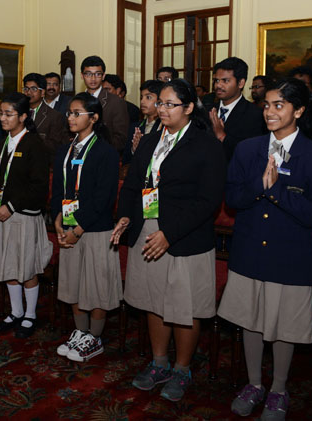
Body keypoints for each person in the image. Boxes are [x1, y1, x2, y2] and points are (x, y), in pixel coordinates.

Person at [217, 77, 312, 420]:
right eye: (266, 105)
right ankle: (254, 383)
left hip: (290, 255)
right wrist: (259, 184)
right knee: (250, 319)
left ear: (298, 110)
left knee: (284, 325)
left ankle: (279, 389)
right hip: (250, 250)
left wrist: (277, 191)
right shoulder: (248, 148)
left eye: (278, 105)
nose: (269, 112)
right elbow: (233, 199)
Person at [112, 79, 226, 402]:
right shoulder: (149, 141)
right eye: (159, 103)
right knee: (153, 300)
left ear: (189, 108)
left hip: (183, 237)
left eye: (169, 104)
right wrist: (124, 215)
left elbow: (209, 200)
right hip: (147, 230)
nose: (161, 109)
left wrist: (170, 234)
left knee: (183, 306)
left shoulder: (206, 145)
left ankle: (181, 368)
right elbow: (133, 184)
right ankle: (159, 362)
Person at [51, 92, 121, 362]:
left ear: (93, 118)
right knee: (74, 284)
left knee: (96, 287)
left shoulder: (105, 152)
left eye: (77, 113)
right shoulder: (64, 150)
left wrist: (78, 229)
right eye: (69, 113)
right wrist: (57, 219)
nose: (71, 117)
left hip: (94, 229)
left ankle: (95, 337)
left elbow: (104, 198)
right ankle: (80, 333)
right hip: (68, 228)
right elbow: (58, 190)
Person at [0, 92, 52, 339]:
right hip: (1, 216)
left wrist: (10, 205)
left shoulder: (34, 144)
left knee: (26, 266)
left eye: (9, 114)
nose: (3, 118)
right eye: (2, 113)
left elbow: (39, 185)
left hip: (22, 215)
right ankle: (16, 312)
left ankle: (30, 314)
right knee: (9, 265)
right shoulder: (1, 145)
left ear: (23, 116)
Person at [208, 57, 265, 161]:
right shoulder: (208, 109)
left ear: (241, 83)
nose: (218, 85)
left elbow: (250, 154)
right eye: (216, 80)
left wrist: (222, 137)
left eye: (225, 81)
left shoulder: (255, 115)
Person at [80, 56, 129, 152]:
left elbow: (121, 139)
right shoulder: (76, 101)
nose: (93, 78)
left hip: (104, 156)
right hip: (79, 155)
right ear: (82, 76)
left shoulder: (116, 102)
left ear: (103, 76)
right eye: (88, 74)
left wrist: (96, 149)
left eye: (97, 74)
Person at [23, 72, 70, 164]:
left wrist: (34, 138)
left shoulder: (54, 116)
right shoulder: (19, 113)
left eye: (34, 89)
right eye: (26, 89)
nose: (29, 92)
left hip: (43, 164)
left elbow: (56, 146)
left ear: (42, 92)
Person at [122, 80, 164, 166]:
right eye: (141, 97)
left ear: (160, 101)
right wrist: (134, 150)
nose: (142, 102)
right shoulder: (135, 127)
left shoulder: (165, 127)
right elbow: (125, 159)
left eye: (148, 97)